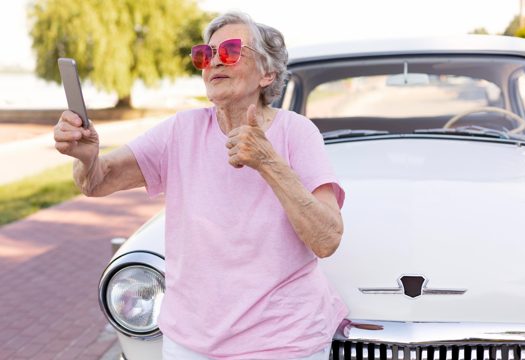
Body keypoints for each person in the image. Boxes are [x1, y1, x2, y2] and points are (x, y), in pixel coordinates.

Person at [54, 11, 348, 360]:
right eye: (205, 55)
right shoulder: (182, 130)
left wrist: (267, 162)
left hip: (282, 341)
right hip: (190, 342)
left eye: (230, 52)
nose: (213, 63)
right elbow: (97, 181)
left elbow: (327, 239)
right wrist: (87, 157)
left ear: (267, 74)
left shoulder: (297, 133)